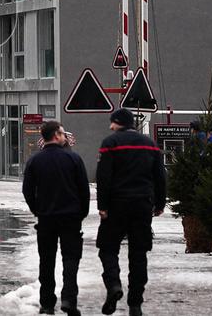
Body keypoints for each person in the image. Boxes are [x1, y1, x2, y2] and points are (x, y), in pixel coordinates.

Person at [96, 108, 167, 316]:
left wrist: (103, 206)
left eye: (112, 122)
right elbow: (160, 178)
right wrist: (160, 204)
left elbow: (104, 177)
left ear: (118, 122)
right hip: (142, 206)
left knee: (108, 248)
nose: (110, 126)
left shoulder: (110, 143)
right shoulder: (151, 145)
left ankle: (113, 285)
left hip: (116, 205)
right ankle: (135, 303)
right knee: (139, 253)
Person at [23, 121, 89, 316]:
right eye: (62, 133)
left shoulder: (35, 161)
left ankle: (47, 303)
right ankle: (69, 298)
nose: (64, 137)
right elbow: (83, 190)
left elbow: (27, 190)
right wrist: (82, 212)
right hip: (70, 218)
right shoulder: (74, 159)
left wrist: (36, 209)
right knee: (71, 259)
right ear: (57, 135)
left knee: (47, 260)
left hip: (46, 218)